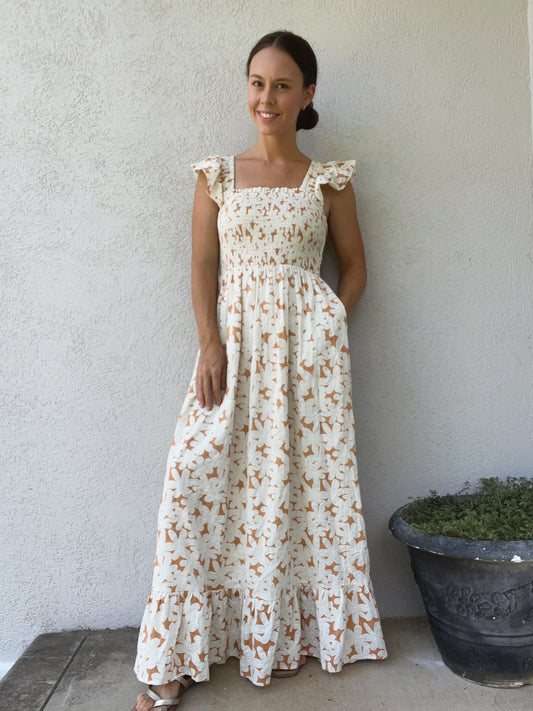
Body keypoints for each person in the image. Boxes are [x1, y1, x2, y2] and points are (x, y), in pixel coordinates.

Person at [131, 29, 387, 711]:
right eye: (255, 82)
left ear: (306, 95)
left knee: (293, 492)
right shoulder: (216, 174)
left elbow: (355, 266)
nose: (265, 97)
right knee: (192, 477)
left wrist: (329, 320)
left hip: (307, 361)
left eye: (280, 84)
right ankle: (171, 657)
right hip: (232, 349)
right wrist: (209, 342)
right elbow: (203, 266)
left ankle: (279, 636)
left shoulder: (327, 182)